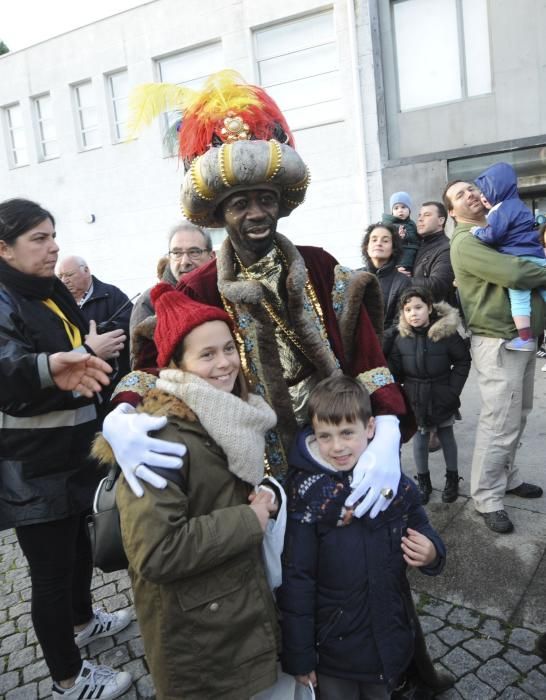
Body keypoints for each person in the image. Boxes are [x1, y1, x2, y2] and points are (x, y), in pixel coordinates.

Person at [104, 70, 408, 520]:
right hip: (254, 454)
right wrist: (119, 414)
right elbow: (156, 364)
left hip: (335, 435)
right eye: (240, 204)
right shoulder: (199, 286)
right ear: (220, 213)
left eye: (265, 199)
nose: (257, 213)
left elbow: (366, 356)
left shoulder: (320, 265)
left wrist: (385, 428)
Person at [92, 283, 281, 700]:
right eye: (207, 354)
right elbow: (157, 552)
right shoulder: (159, 437)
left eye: (228, 348)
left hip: (232, 613)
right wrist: (249, 520)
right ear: (176, 364)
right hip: (199, 638)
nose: (225, 363)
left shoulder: (229, 417)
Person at [0, 198, 132, 700]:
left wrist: (85, 356)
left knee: (77, 552)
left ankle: (82, 622)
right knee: (50, 575)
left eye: (53, 235)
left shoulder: (46, 291)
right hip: (32, 468)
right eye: (38, 238)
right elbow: (10, 374)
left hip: (71, 456)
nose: (53, 246)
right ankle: (67, 679)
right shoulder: (5, 298)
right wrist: (81, 356)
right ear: (4, 249)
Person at [277, 375, 446, 700]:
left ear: (370, 429)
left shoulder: (395, 485)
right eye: (325, 436)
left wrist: (432, 553)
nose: (337, 446)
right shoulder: (309, 497)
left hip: (386, 643)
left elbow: (423, 529)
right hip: (333, 652)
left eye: (347, 433)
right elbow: (297, 580)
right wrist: (299, 656)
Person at [445, 179, 545, 533]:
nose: (470, 194)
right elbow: (516, 272)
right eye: (460, 195)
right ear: (452, 212)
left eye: (472, 188)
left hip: (520, 339)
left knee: (518, 415)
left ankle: (508, 477)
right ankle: (486, 497)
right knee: (499, 421)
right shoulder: (465, 240)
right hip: (498, 341)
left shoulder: (495, 231)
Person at [387, 287, 471, 504]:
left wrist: (453, 390)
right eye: (408, 309)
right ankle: (423, 481)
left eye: (418, 307)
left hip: (442, 392)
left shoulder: (446, 333)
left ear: (429, 308)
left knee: (446, 434)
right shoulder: (400, 338)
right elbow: (396, 370)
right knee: (420, 438)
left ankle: (452, 478)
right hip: (415, 395)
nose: (413, 313)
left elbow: (463, 360)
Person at [471, 162, 546, 351]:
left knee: (519, 297)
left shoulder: (500, 210)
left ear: (498, 190)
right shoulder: (519, 205)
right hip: (537, 256)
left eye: (485, 192)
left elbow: (493, 235)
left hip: (520, 258)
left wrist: (477, 232)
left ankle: (525, 338)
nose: (482, 197)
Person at [128, 222, 214, 353]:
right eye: (177, 253)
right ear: (169, 257)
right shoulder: (148, 302)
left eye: (194, 252)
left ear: (211, 256)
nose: (185, 261)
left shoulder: (225, 293)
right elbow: (141, 365)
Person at [57, 255, 132, 404]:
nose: (64, 281)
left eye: (69, 275)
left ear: (86, 270)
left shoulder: (111, 294)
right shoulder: (57, 303)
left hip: (113, 381)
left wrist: (102, 333)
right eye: (60, 276)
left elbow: (130, 322)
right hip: (74, 384)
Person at [360, 221, 411, 355]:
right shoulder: (353, 276)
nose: (379, 243)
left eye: (385, 240)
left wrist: (375, 344)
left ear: (393, 248)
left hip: (388, 352)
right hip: (356, 350)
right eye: (374, 239)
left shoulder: (403, 282)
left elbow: (400, 323)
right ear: (366, 246)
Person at [382, 191, 420, 273]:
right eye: (396, 208)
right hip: (399, 263)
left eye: (403, 207)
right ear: (392, 212)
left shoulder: (412, 224)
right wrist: (398, 238)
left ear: (409, 210)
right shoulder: (390, 225)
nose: (400, 210)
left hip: (414, 261)